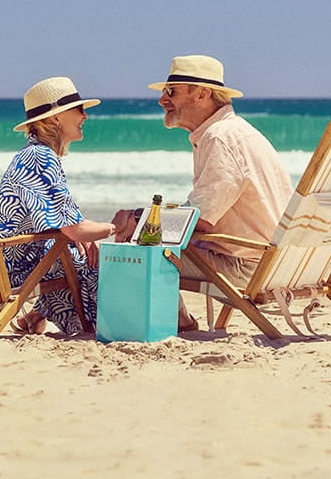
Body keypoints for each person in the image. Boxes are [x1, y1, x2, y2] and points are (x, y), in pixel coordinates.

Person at [111, 55, 292, 331]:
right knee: (145, 233)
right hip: (273, 261)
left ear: (203, 93)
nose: (162, 100)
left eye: (172, 91)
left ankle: (176, 323)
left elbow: (201, 220)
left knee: (130, 247)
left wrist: (137, 220)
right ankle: (178, 320)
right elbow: (201, 214)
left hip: (248, 267)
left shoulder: (219, 137)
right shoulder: (236, 131)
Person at [0, 77, 116, 335]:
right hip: (16, 265)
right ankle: (97, 324)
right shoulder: (40, 157)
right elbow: (74, 230)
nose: (85, 116)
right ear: (56, 118)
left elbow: (66, 220)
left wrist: (80, 231)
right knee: (105, 264)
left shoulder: (33, 153)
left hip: (7, 255)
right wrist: (117, 228)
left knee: (77, 252)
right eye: (79, 110)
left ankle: (36, 315)